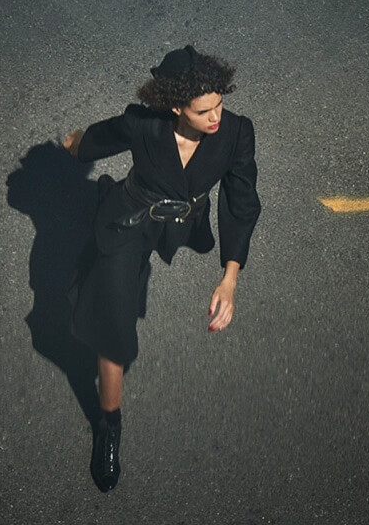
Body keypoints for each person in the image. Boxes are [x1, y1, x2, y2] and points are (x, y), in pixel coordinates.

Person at [64, 45, 261, 492]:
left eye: (220, 104)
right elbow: (94, 140)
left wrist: (229, 279)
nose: (216, 117)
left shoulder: (236, 133)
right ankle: (109, 426)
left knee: (127, 296)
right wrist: (74, 145)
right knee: (115, 329)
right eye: (203, 110)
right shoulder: (144, 124)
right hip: (129, 220)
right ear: (176, 107)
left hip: (182, 224)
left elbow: (242, 203)